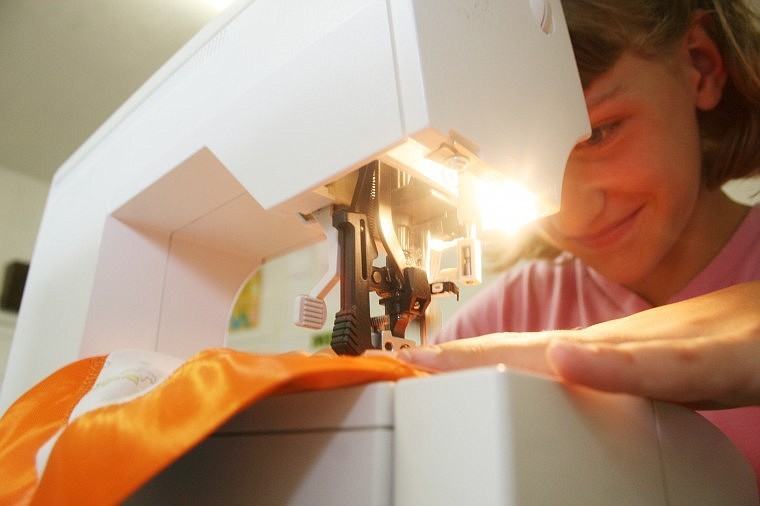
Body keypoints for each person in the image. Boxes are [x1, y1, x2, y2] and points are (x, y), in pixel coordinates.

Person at [395, 0, 760, 487]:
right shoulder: (506, 315)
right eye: (516, 161)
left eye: (599, 134)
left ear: (699, 64)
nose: (573, 214)